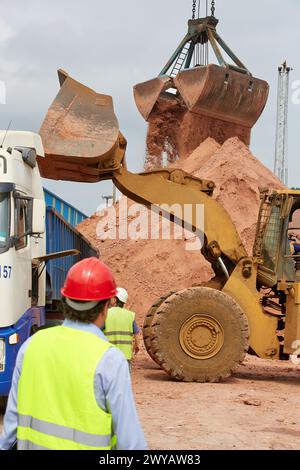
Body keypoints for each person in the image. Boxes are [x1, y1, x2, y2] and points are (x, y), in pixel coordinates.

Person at [0, 258, 147, 451]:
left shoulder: (30, 346)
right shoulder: (110, 360)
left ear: (65, 301)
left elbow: (11, 427)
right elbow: (131, 443)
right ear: (106, 307)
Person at [104, 288, 141, 369]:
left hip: (109, 355)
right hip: (125, 356)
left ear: (114, 299)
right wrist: (137, 346)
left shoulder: (105, 314)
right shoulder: (130, 315)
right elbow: (136, 334)